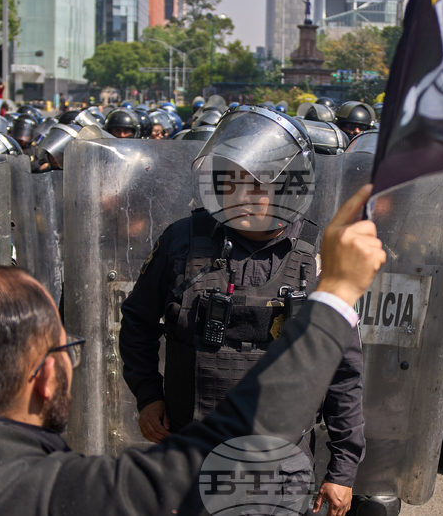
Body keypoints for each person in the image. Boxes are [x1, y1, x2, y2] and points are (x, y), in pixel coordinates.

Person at [0, 184, 384, 516]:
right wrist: (338, 295)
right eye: (66, 346)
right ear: (45, 378)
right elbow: (225, 450)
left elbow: (344, 378)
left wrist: (341, 465)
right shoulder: (44, 493)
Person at [120, 107, 366, 516]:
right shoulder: (182, 241)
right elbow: (138, 321)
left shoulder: (318, 258)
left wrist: (343, 469)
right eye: (232, 181)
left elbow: (345, 370)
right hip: (189, 454)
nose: (243, 194)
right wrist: (147, 395)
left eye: (258, 184)